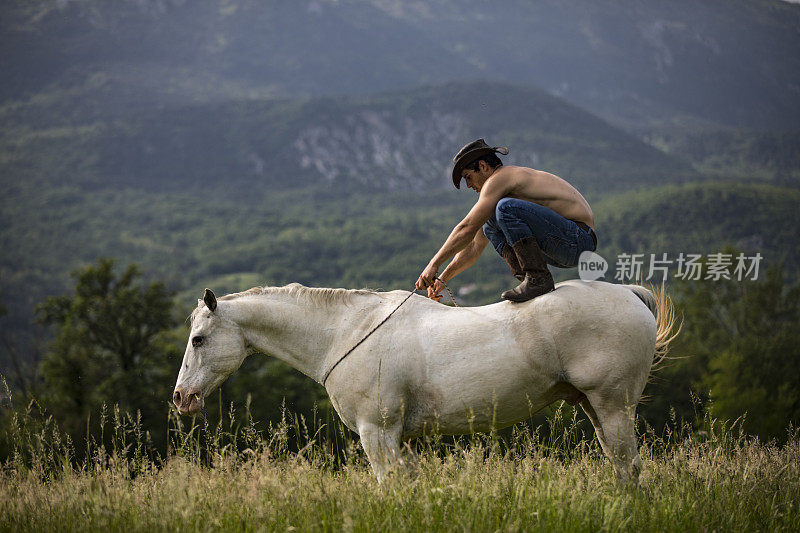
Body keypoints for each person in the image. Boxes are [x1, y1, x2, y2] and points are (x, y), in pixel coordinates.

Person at [415, 139, 597, 303]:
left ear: (483, 166)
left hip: (578, 240)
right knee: (489, 222)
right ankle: (529, 279)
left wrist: (434, 264)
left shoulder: (501, 178)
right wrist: (443, 278)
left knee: (504, 208)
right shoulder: (499, 189)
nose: (469, 185)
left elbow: (466, 227)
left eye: (468, 177)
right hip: (564, 245)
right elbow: (474, 246)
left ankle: (537, 279)